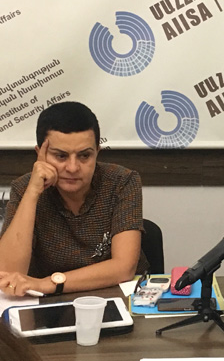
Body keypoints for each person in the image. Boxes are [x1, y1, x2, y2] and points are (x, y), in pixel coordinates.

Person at [0, 102, 149, 297]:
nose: (72, 168)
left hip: (117, 296)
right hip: (50, 303)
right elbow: (7, 274)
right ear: (40, 154)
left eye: (84, 156)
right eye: (61, 156)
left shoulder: (122, 181)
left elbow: (124, 268)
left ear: (97, 152)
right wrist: (33, 192)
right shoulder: (23, 188)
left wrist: (49, 283)